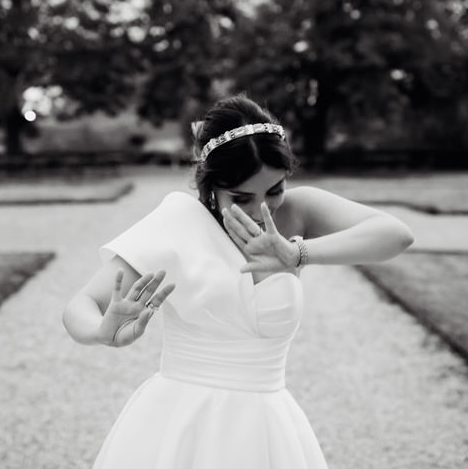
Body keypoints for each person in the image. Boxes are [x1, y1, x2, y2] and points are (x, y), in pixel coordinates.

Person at [62, 94, 414, 468]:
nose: (262, 209)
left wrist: (297, 254)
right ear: (210, 186)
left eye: (274, 190)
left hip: (265, 426)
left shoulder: (297, 212)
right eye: (242, 197)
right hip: (181, 421)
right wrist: (100, 330)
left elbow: (396, 234)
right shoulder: (176, 225)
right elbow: (78, 305)